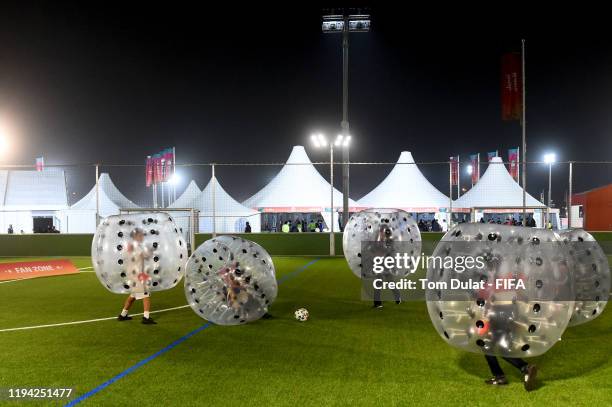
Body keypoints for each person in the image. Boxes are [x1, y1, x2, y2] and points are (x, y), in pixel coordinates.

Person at [117, 228, 156, 324]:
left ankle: (123, 315)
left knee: (133, 296)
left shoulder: (131, 246)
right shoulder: (135, 247)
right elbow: (146, 255)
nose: (142, 237)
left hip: (133, 275)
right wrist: (152, 248)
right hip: (138, 275)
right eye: (140, 235)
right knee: (146, 295)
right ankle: (146, 318)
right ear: (135, 237)